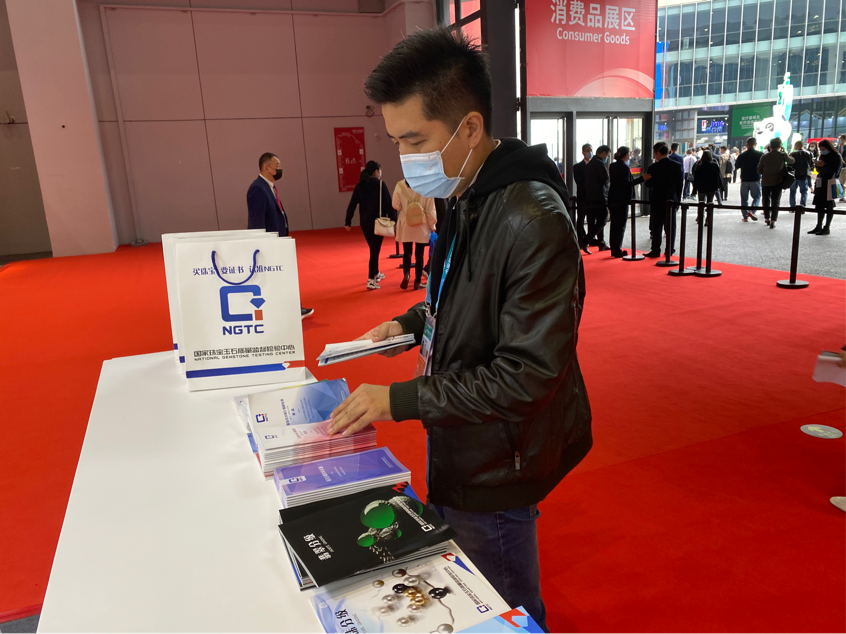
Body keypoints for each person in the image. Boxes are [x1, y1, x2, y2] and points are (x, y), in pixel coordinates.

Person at [328, 28, 589, 633]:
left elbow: (527, 376)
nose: (405, 158)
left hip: (498, 457)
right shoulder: (470, 195)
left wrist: (399, 400)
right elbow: (457, 295)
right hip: (459, 435)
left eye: (415, 141)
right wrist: (406, 323)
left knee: (501, 604)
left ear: (469, 128)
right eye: (397, 141)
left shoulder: (532, 220)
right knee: (464, 588)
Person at [247, 152, 314, 318]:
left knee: (284, 276)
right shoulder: (258, 189)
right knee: (278, 278)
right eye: (277, 166)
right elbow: (257, 221)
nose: (280, 169)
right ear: (266, 168)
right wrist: (262, 245)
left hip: (278, 241)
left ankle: (291, 308)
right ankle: (288, 310)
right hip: (269, 244)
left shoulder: (269, 187)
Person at [345, 160, 394, 290]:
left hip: (365, 223)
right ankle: (371, 279)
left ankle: (376, 273)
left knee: (373, 248)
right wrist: (394, 220)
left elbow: (352, 204)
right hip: (378, 222)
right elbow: (388, 204)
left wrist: (348, 221)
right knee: (374, 250)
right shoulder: (381, 185)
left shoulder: (360, 186)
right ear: (376, 171)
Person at [392, 179, 436, 290]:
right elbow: (430, 209)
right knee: (419, 254)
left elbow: (395, 205)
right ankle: (417, 281)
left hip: (406, 223)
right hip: (421, 224)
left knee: (407, 252)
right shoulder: (426, 185)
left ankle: (406, 274)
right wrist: (432, 225)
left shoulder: (400, 185)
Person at [643, 142, 683, 258]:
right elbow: (680, 185)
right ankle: (670, 249)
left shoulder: (653, 167)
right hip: (671, 199)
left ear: (658, 153)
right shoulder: (677, 166)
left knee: (657, 225)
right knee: (671, 226)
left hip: (657, 199)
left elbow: (649, 184)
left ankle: (655, 250)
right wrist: (677, 201)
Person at [608, 146, 649, 257]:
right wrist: (642, 178)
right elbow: (626, 184)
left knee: (614, 224)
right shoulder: (625, 168)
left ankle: (614, 249)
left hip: (613, 198)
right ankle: (618, 249)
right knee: (621, 225)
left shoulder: (612, 166)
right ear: (626, 155)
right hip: (622, 199)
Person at [756, 137, 794, 229]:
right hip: (778, 182)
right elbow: (792, 161)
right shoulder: (782, 155)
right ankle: (773, 220)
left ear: (770, 146)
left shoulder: (764, 157)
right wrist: (784, 152)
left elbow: (759, 170)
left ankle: (767, 218)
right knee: (776, 201)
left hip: (766, 182)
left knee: (766, 200)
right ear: (780, 146)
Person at [808, 138, 842, 235]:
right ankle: (818, 226)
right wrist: (817, 165)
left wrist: (824, 165)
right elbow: (820, 170)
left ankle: (827, 227)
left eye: (823, 149)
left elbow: (835, 171)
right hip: (821, 182)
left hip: (830, 182)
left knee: (829, 206)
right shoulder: (823, 156)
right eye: (821, 149)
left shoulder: (836, 156)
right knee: (820, 205)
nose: (822, 151)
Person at [584, 144, 612, 251]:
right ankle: (586, 240)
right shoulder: (599, 164)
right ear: (604, 153)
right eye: (607, 155)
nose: (607, 157)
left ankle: (600, 242)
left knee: (595, 220)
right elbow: (605, 179)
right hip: (599, 197)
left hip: (590, 197)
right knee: (603, 220)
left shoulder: (590, 163)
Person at [734, 137, 763, 222]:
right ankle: (752, 211)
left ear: (747, 145)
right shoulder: (760, 154)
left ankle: (745, 216)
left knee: (744, 198)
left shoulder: (742, 155)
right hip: (755, 178)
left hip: (744, 179)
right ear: (755, 144)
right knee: (757, 196)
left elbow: (737, 166)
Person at [692, 149, 723, 224]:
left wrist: (694, 189)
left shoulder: (699, 166)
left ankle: (700, 218)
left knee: (701, 203)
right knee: (710, 203)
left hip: (701, 187)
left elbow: (696, 178)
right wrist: (719, 186)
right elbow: (718, 176)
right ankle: (708, 220)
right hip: (711, 188)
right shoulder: (714, 165)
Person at [572, 144, 593, 253]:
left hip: (593, 197)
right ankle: (581, 238)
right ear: (583, 152)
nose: (590, 152)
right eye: (588, 150)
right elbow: (579, 182)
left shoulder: (595, 165)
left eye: (591, 150)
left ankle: (591, 239)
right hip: (582, 196)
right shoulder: (577, 167)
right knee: (580, 218)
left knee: (592, 219)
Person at [789, 140, 814, 209]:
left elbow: (790, 165)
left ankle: (792, 207)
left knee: (792, 192)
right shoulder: (809, 154)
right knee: (804, 192)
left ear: (796, 146)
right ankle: (802, 206)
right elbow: (812, 164)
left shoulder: (792, 154)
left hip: (794, 175)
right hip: (804, 176)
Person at [838, 134, 846, 202]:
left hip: (844, 167)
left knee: (842, 182)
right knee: (841, 182)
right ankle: (842, 196)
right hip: (838, 167)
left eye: (840, 138)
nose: (839, 140)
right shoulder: (837, 147)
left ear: (844, 139)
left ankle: (842, 196)